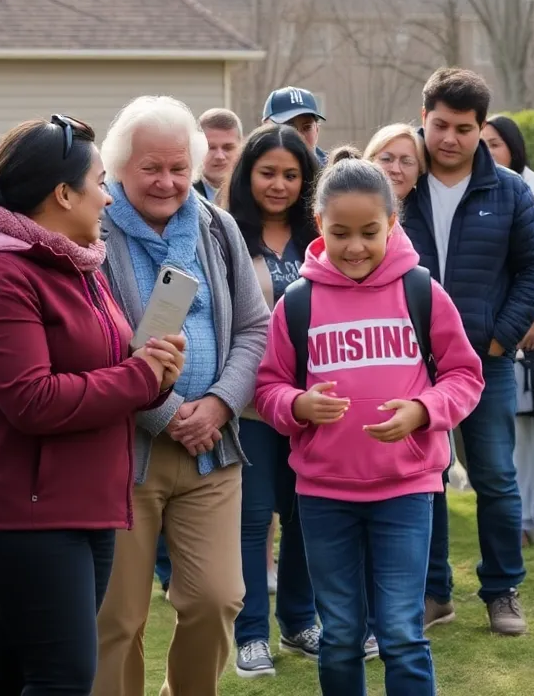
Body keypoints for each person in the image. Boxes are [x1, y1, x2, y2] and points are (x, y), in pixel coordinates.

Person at [0, 116, 186, 692]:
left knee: (17, 668)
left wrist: (158, 371)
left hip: (80, 501)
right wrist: (141, 378)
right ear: (63, 194)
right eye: (99, 181)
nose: (109, 195)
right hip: (24, 511)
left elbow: (112, 368)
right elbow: (32, 400)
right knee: (61, 676)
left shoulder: (77, 263)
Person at [254, 156, 485, 696]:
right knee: (339, 636)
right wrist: (297, 405)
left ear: (392, 223)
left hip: (406, 491)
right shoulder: (297, 302)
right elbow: (267, 389)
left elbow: (464, 375)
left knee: (402, 633)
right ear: (318, 223)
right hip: (323, 496)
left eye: (368, 233)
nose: (355, 247)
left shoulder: (422, 291)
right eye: (340, 234)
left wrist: (424, 411)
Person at [93, 96, 271, 696]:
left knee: (219, 597)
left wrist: (219, 404)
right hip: (123, 451)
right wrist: (167, 414)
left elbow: (254, 327)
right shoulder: (92, 231)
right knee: (116, 617)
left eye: (177, 167)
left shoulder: (217, 227)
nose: (166, 181)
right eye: (150, 168)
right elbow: (93, 344)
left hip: (211, 448)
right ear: (119, 167)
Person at [401, 68, 534, 635]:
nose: (449, 139)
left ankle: (502, 590)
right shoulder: (400, 185)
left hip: (484, 361)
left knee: (493, 476)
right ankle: (433, 592)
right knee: (424, 479)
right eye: (439, 124)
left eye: (464, 129)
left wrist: (498, 337)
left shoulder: (509, 190)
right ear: (424, 119)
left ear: (481, 128)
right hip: (410, 364)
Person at [225, 124, 323, 678]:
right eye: (268, 173)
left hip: (313, 404)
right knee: (253, 517)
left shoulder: (322, 235)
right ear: (248, 175)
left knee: (306, 514)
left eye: (292, 174)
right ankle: (251, 634)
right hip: (251, 405)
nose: (280, 184)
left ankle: (299, 619)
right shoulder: (226, 235)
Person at [481, 116, 534, 548]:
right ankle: (514, 516)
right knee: (506, 430)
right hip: (499, 331)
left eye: (494, 143)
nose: (487, 151)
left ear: (513, 146)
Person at [264, 86, 328, 165]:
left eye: (307, 127)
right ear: (264, 129)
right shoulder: (249, 169)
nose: (299, 137)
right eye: (288, 128)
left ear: (317, 129)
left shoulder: (333, 172)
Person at [364, 123, 425, 202]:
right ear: (370, 161)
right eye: (386, 159)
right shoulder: (347, 206)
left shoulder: (433, 213)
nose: (395, 170)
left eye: (406, 162)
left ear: (419, 172)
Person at [194, 108, 244, 202]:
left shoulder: (254, 193)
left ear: (241, 149)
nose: (220, 156)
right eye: (211, 148)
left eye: (227, 148)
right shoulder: (183, 195)